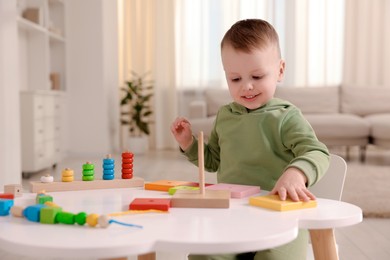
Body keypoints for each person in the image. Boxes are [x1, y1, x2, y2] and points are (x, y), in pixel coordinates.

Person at [170, 19, 330, 260]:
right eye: (235, 79)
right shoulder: (225, 116)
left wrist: (297, 173)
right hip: (231, 215)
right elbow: (213, 161)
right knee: (203, 257)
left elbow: (318, 152)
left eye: (257, 76)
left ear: (280, 70)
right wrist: (188, 143)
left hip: (281, 217)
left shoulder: (286, 116)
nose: (246, 86)